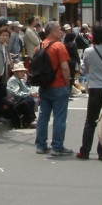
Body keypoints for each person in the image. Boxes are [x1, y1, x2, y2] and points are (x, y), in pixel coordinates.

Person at [76, 23, 102, 160]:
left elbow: (86, 69)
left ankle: (85, 151)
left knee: (90, 122)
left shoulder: (88, 51)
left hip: (94, 88)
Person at [34, 21, 73, 156]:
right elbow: (65, 67)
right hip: (58, 85)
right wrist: (67, 83)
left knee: (43, 116)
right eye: (59, 29)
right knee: (59, 117)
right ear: (53, 32)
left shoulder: (38, 46)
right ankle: (57, 146)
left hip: (44, 86)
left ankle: (41, 145)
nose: (61, 32)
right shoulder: (59, 46)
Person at [4, 62, 37, 129]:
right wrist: (29, 94)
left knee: (30, 100)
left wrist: (33, 93)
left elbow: (26, 89)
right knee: (25, 103)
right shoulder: (13, 80)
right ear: (16, 72)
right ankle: (30, 121)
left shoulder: (20, 80)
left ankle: (31, 119)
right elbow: (17, 93)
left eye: (23, 71)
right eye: (21, 71)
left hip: (17, 101)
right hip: (12, 104)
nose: (23, 73)